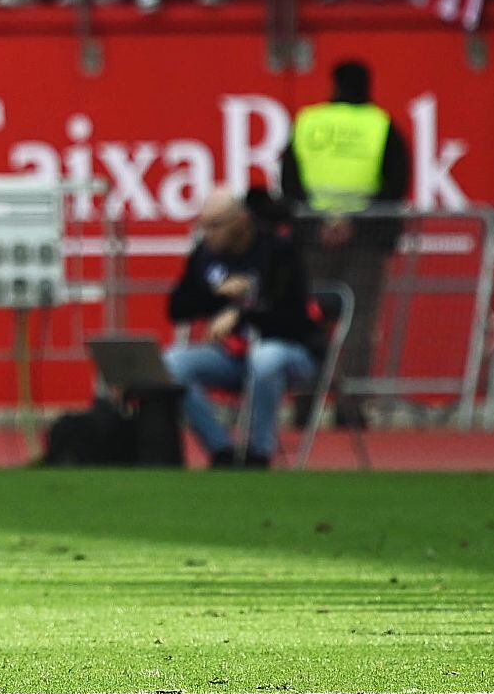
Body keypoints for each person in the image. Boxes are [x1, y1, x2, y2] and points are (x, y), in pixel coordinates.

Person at [280, 60, 410, 429]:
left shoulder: (308, 123)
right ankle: (350, 408)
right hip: (364, 240)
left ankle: (304, 406)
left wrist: (319, 221)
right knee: (359, 320)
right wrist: (353, 222)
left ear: (333, 84)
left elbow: (288, 180)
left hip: (311, 239)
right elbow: (396, 185)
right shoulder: (381, 126)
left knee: (306, 318)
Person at [164, 188, 320, 469]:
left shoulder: (276, 251)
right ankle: (221, 450)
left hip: (288, 353)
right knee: (171, 363)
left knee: (265, 357)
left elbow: (295, 320)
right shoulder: (206, 254)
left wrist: (242, 314)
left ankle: (258, 453)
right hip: (234, 357)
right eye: (202, 225)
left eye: (214, 225)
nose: (207, 233)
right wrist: (216, 295)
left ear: (238, 221)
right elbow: (176, 308)